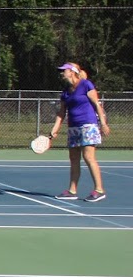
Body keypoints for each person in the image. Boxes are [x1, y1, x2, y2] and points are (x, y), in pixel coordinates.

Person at [46, 61, 111, 202]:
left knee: (88, 157)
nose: (62, 73)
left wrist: (103, 123)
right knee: (74, 160)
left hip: (88, 125)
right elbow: (61, 113)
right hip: (73, 128)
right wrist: (53, 131)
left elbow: (97, 105)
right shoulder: (65, 92)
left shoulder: (86, 85)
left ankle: (99, 190)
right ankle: (72, 191)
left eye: (64, 70)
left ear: (72, 71)